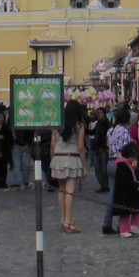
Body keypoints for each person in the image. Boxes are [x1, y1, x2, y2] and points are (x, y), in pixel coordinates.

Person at [50, 99, 87, 233]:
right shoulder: (79, 125)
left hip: (58, 157)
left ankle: (62, 219)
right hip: (72, 157)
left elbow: (52, 144)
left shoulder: (56, 124)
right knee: (70, 191)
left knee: (61, 190)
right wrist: (84, 166)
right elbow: (81, 147)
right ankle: (68, 221)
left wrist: (52, 159)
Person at [100, 106, 133, 234]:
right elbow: (125, 150)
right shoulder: (124, 131)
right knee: (123, 195)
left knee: (112, 194)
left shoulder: (111, 130)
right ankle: (122, 225)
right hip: (120, 163)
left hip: (110, 161)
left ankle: (107, 223)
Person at [112, 142, 139, 237]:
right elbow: (124, 180)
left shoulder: (127, 164)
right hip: (124, 194)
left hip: (129, 192)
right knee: (125, 213)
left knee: (134, 209)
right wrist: (135, 185)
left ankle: (132, 226)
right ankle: (123, 230)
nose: (135, 159)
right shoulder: (122, 165)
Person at [88, 106, 111, 192]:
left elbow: (107, 136)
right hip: (98, 148)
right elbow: (93, 132)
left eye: (100, 113)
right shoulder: (98, 123)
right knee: (98, 168)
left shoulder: (106, 123)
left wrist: (103, 146)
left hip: (103, 149)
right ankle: (103, 184)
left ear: (104, 114)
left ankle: (106, 184)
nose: (98, 115)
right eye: (98, 113)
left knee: (103, 167)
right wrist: (85, 129)